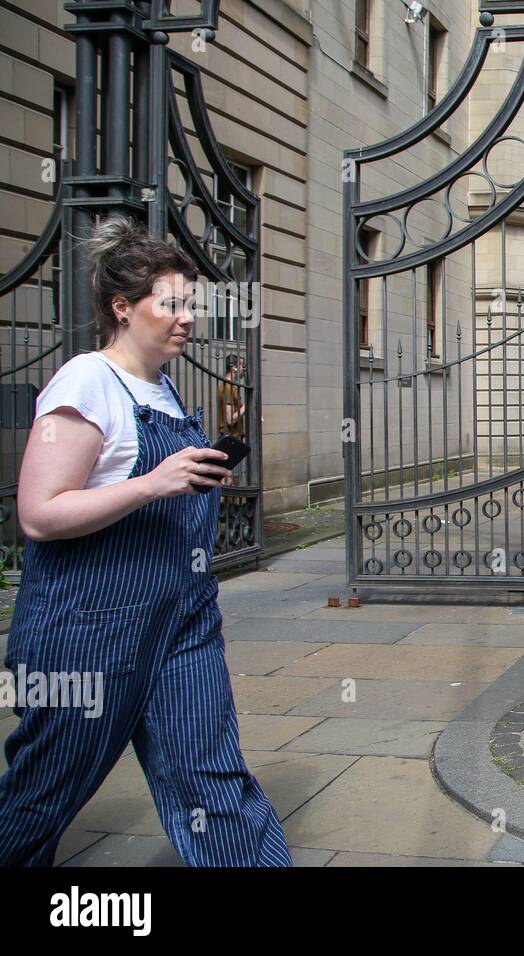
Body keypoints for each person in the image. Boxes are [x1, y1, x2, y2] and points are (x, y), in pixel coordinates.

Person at [0, 215, 290, 866]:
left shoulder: (161, 389)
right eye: (173, 304)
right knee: (42, 795)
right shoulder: (86, 382)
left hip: (182, 624)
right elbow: (39, 515)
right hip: (87, 633)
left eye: (192, 304)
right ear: (122, 307)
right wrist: (153, 483)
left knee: (212, 780)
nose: (188, 317)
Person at [217, 353, 247, 440]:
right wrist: (246, 406)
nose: (244, 370)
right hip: (231, 437)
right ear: (234, 367)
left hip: (234, 436)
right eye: (243, 366)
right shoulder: (227, 387)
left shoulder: (231, 386)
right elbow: (230, 420)